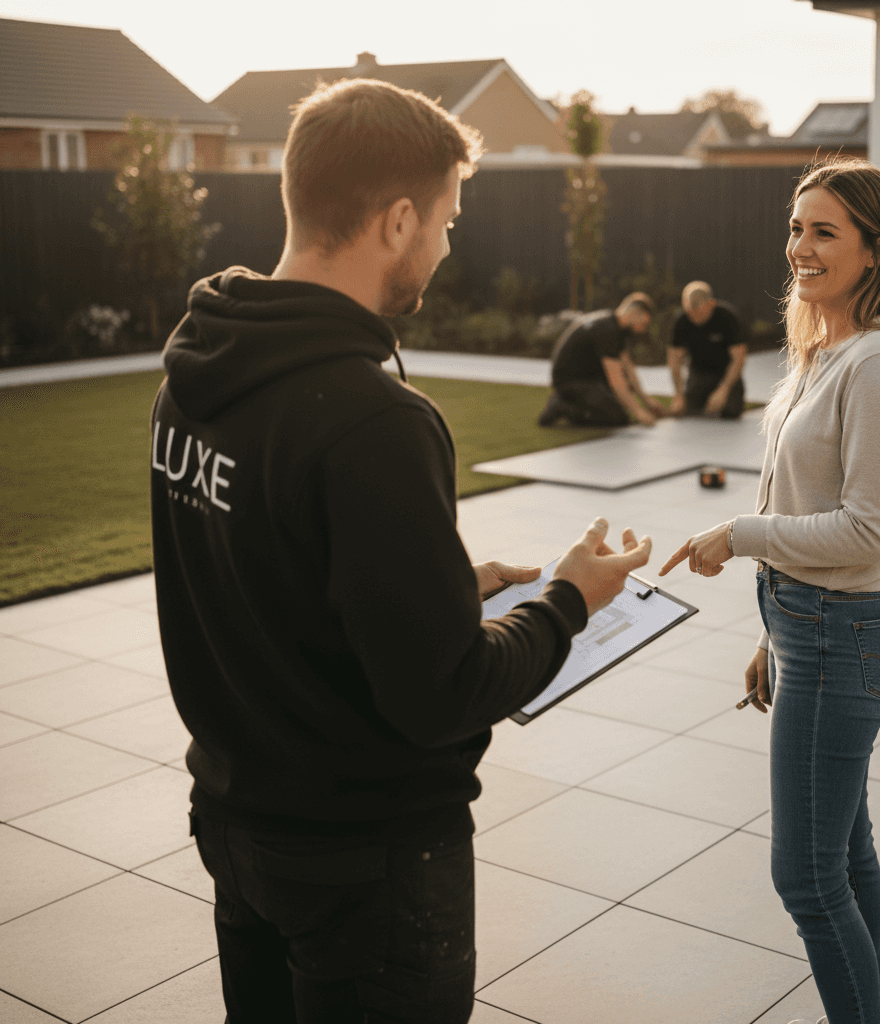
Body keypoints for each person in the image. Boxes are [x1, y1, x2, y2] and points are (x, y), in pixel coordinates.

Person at [149, 77, 652, 1024]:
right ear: (397, 220)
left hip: (239, 828)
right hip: (364, 862)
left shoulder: (191, 374)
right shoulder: (376, 423)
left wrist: (442, 588)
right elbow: (442, 696)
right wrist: (570, 599)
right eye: (449, 221)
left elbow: (269, 577)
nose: (450, 243)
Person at [659, 159, 880, 1024]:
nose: (801, 247)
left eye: (825, 231)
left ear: (875, 249)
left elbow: (867, 532)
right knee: (845, 854)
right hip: (807, 633)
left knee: (806, 878)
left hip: (844, 636)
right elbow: (802, 504)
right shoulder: (823, 350)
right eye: (796, 227)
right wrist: (768, 634)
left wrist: (739, 537)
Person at [537, 293, 666, 427]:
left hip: (588, 378)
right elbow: (615, 380)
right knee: (617, 418)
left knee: (619, 399)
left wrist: (647, 401)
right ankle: (563, 406)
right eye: (644, 322)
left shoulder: (616, 325)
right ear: (635, 313)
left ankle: (571, 402)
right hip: (571, 382)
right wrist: (638, 412)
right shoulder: (608, 330)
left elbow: (628, 368)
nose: (645, 327)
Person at [667, 281, 747, 419]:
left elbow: (739, 358)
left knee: (731, 411)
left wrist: (724, 389)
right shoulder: (682, 321)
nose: (695, 319)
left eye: (699, 313)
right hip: (699, 373)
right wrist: (678, 395)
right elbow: (674, 360)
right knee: (687, 411)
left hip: (725, 373)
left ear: (711, 304)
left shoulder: (727, 317)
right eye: (691, 314)